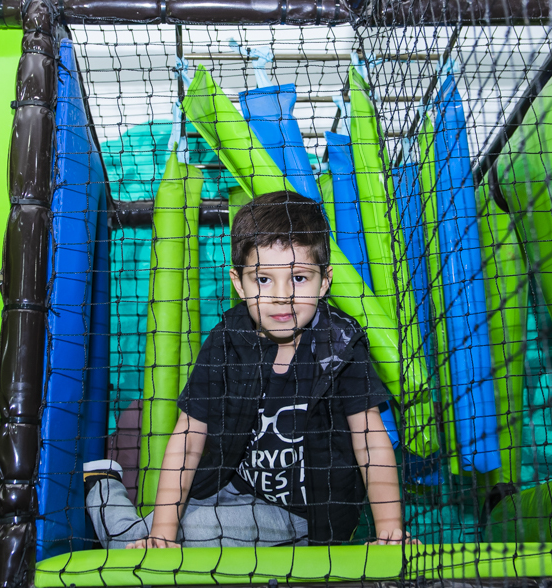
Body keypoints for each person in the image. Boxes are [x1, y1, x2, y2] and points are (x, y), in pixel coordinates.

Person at [84, 190, 410, 548]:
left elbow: (370, 439)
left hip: (303, 514)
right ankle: (104, 487)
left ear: (325, 281)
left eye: (299, 278)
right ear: (239, 284)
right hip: (229, 486)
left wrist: (389, 532)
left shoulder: (341, 344)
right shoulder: (228, 339)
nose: (282, 296)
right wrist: (162, 533)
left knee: (189, 531)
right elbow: (189, 434)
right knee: (149, 535)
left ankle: (101, 487)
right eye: (263, 279)